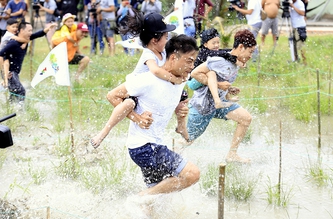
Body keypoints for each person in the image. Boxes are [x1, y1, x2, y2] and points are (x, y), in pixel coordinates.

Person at [104, 35, 200, 215]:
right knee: (192, 174)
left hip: (152, 145)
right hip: (144, 147)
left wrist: (179, 110)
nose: (191, 66)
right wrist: (137, 117)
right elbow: (112, 96)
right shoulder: (147, 79)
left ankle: (142, 205)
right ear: (173, 58)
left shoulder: (180, 80)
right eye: (189, 61)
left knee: (154, 206)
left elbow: (165, 100)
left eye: (193, 62)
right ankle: (140, 196)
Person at [91, 12, 185, 148]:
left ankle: (181, 127)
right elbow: (156, 71)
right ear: (154, 40)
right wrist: (174, 79)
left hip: (147, 91)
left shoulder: (163, 51)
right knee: (128, 104)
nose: (167, 39)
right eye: (166, 36)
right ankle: (103, 133)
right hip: (134, 91)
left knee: (182, 97)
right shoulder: (148, 54)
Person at [185, 29, 257, 163]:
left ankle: (232, 154)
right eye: (250, 52)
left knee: (246, 118)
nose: (251, 56)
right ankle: (168, 154)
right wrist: (219, 84)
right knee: (186, 141)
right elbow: (195, 73)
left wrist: (228, 89)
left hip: (221, 104)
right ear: (241, 47)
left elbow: (222, 80)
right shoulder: (218, 60)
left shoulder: (235, 62)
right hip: (203, 106)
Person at [0, 22, 55, 103]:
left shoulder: (25, 40)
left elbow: (38, 34)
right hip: (10, 73)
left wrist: (48, 29)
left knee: (14, 93)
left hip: (15, 73)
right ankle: (20, 111)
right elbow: (0, 55)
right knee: (20, 91)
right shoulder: (13, 43)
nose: (31, 33)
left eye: (31, 30)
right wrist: (4, 72)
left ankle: (11, 109)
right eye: (29, 31)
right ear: (21, 30)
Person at [290, 0, 307, 64]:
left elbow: (302, 13)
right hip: (293, 26)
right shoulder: (291, 3)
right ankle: (295, 58)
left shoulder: (299, 3)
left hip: (300, 27)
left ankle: (304, 61)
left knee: (300, 45)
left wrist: (293, 7)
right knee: (293, 44)